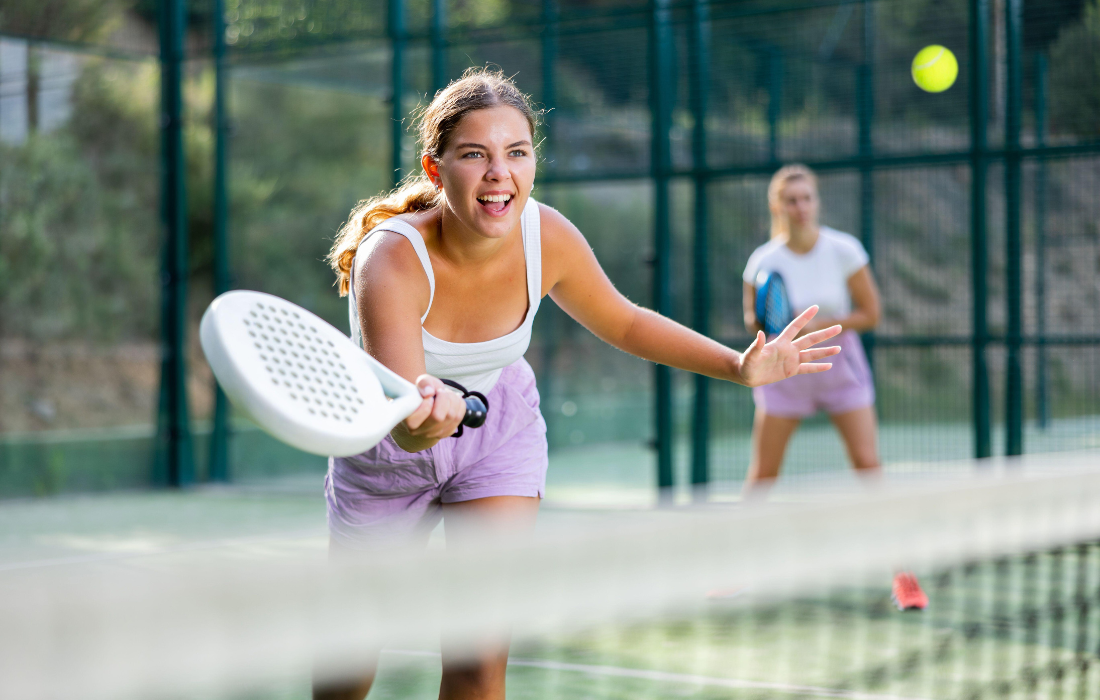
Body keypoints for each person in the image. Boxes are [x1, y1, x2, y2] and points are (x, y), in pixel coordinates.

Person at [318, 68, 842, 700]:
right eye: (475, 155)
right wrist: (430, 414)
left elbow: (623, 320)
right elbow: (408, 425)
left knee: (480, 653)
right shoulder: (392, 258)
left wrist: (737, 365)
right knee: (351, 650)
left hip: (499, 434)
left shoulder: (548, 235)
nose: (498, 174)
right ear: (436, 171)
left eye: (516, 153)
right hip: (385, 455)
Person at [741, 164, 927, 612]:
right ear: (777, 206)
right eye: (791, 200)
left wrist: (822, 323)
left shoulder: (845, 250)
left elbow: (871, 313)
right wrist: (777, 327)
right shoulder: (762, 261)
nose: (800, 207)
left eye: (807, 198)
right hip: (785, 373)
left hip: (841, 366)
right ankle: (736, 570)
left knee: (869, 468)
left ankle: (903, 578)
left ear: (816, 202)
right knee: (763, 475)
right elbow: (754, 322)